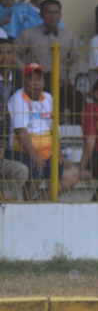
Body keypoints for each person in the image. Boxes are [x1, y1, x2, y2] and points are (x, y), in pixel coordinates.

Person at [6, 62, 80, 200]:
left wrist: (59, 156)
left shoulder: (48, 98)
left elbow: (54, 130)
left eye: (38, 79)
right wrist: (34, 156)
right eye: (31, 79)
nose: (35, 84)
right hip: (22, 153)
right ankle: (27, 208)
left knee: (72, 174)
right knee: (37, 173)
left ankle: (40, 202)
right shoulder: (18, 98)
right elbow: (20, 131)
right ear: (23, 81)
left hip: (46, 155)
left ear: (44, 82)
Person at [13, 0, 83, 118]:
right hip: (36, 83)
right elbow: (13, 54)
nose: (52, 16)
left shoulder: (68, 36)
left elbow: (76, 58)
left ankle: (78, 131)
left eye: (56, 13)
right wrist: (26, 72)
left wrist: (70, 79)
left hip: (61, 82)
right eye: (48, 12)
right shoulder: (29, 34)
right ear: (41, 14)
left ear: (60, 15)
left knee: (78, 97)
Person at [0, 39, 29, 199]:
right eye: (1, 52)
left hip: (13, 139)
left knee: (23, 170)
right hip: (4, 137)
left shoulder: (20, 78)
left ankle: (8, 199)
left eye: (8, 52)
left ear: (14, 56)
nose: (5, 57)